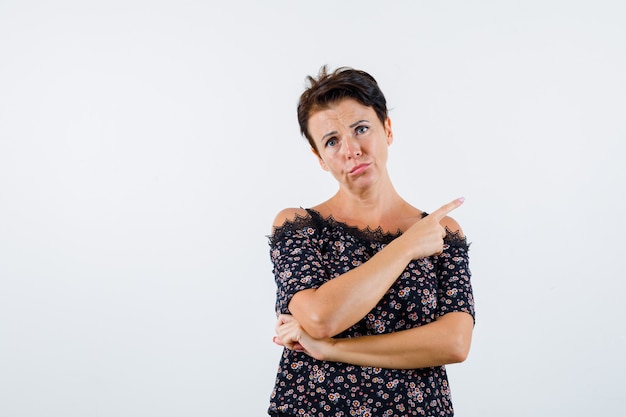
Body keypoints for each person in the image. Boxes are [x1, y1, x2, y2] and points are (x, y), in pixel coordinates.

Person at [267, 66, 475, 417]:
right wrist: (406, 246)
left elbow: (454, 343)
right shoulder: (297, 226)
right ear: (320, 159)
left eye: (361, 129)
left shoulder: (441, 231)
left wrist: (331, 349)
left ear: (387, 129)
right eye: (332, 142)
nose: (351, 150)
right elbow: (320, 319)